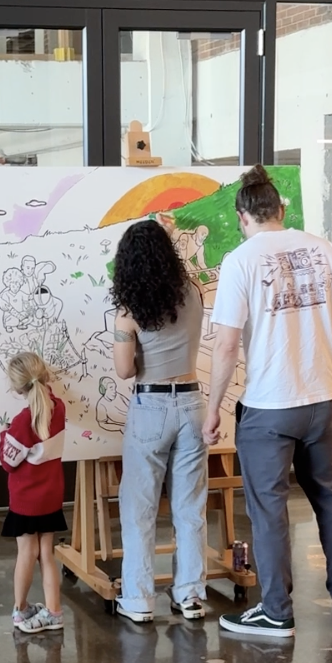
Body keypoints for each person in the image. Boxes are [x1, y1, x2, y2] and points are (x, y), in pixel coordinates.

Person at [204, 165, 332, 638]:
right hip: (323, 397)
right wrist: (308, 325)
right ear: (281, 209)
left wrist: (213, 408)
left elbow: (226, 345)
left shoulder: (240, 260)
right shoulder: (325, 249)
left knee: (268, 507)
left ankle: (276, 610)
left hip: (271, 404)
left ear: (243, 217)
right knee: (330, 496)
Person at [111, 217, 208, 623]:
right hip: (192, 402)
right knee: (190, 506)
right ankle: (190, 596)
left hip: (150, 405)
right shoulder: (194, 291)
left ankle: (138, 599)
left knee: (140, 506)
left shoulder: (129, 312)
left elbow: (124, 371)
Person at [0, 351, 67, 634]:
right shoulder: (59, 408)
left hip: (26, 500)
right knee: (46, 553)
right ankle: (54, 612)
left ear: (18, 388)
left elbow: (8, 462)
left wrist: (4, 434)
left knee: (26, 553)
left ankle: (21, 609)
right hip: (51, 496)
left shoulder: (22, 421)